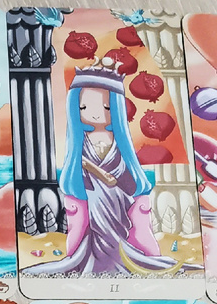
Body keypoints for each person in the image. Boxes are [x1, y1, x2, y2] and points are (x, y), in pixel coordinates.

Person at [34, 66, 173, 277]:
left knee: (120, 232)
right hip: (93, 196)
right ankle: (98, 258)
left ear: (115, 108)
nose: (95, 113)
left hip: (118, 196)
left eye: (106, 107)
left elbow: (126, 170)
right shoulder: (80, 142)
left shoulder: (120, 142)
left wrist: (115, 180)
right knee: (95, 232)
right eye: (84, 107)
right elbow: (77, 169)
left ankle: (122, 255)